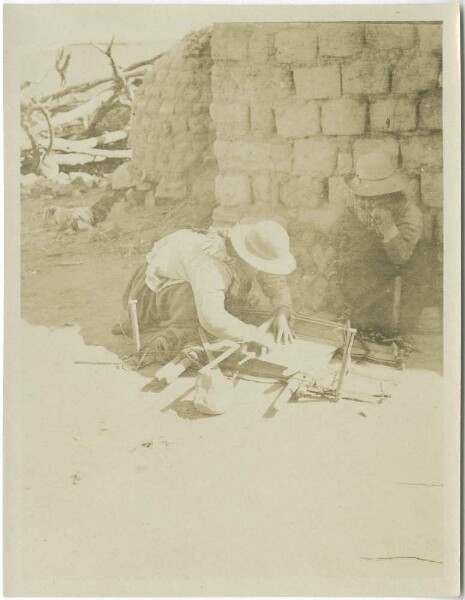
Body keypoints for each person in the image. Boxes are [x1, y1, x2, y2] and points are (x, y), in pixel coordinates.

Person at [112, 219, 296, 360]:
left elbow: (274, 281)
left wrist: (282, 310)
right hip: (151, 290)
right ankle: (162, 329)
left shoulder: (244, 254)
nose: (265, 271)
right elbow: (210, 317)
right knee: (197, 319)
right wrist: (251, 335)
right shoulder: (211, 267)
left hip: (188, 278)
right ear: (247, 258)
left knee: (226, 307)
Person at [329, 151, 428, 338]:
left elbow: (400, 257)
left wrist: (388, 225)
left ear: (389, 194)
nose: (366, 202)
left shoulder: (409, 214)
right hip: (361, 278)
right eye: (363, 196)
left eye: (374, 196)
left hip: (393, 280)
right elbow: (337, 245)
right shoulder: (355, 207)